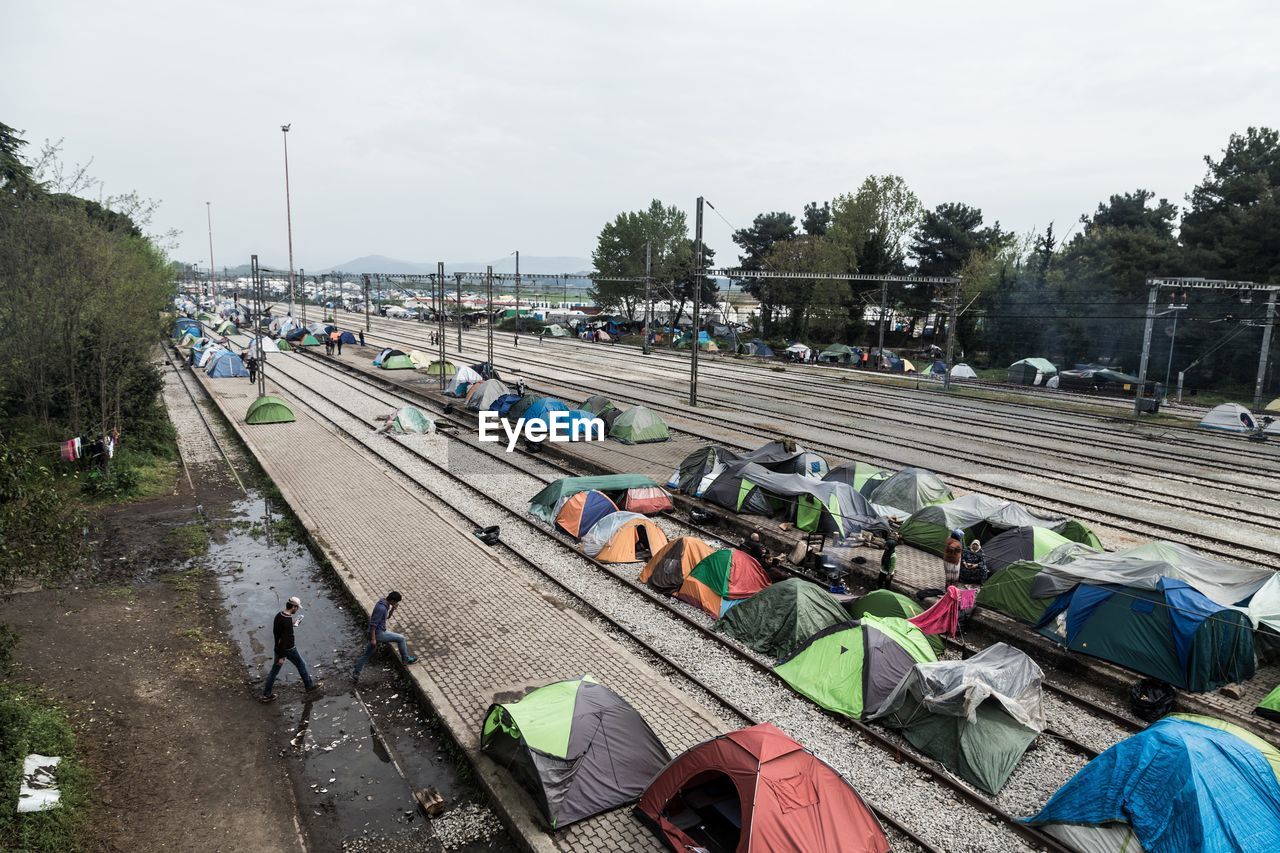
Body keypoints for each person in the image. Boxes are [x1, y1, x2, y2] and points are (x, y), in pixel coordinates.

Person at [261, 596, 322, 702]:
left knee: (274, 672)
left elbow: (279, 632)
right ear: (293, 606)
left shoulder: (279, 616)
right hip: (288, 649)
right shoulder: (287, 621)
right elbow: (284, 640)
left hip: (278, 648)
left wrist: (292, 624)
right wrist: (282, 656)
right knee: (301, 665)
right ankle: (309, 687)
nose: (297, 609)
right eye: (297, 607)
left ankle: (267, 694)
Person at [351, 591, 416, 681]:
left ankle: (356, 673)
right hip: (378, 634)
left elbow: (387, 617)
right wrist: (374, 639)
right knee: (401, 638)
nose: (397, 603)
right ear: (392, 600)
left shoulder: (384, 603)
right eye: (396, 602)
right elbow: (373, 624)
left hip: (375, 633)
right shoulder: (381, 608)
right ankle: (405, 659)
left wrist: (393, 609)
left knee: (367, 654)